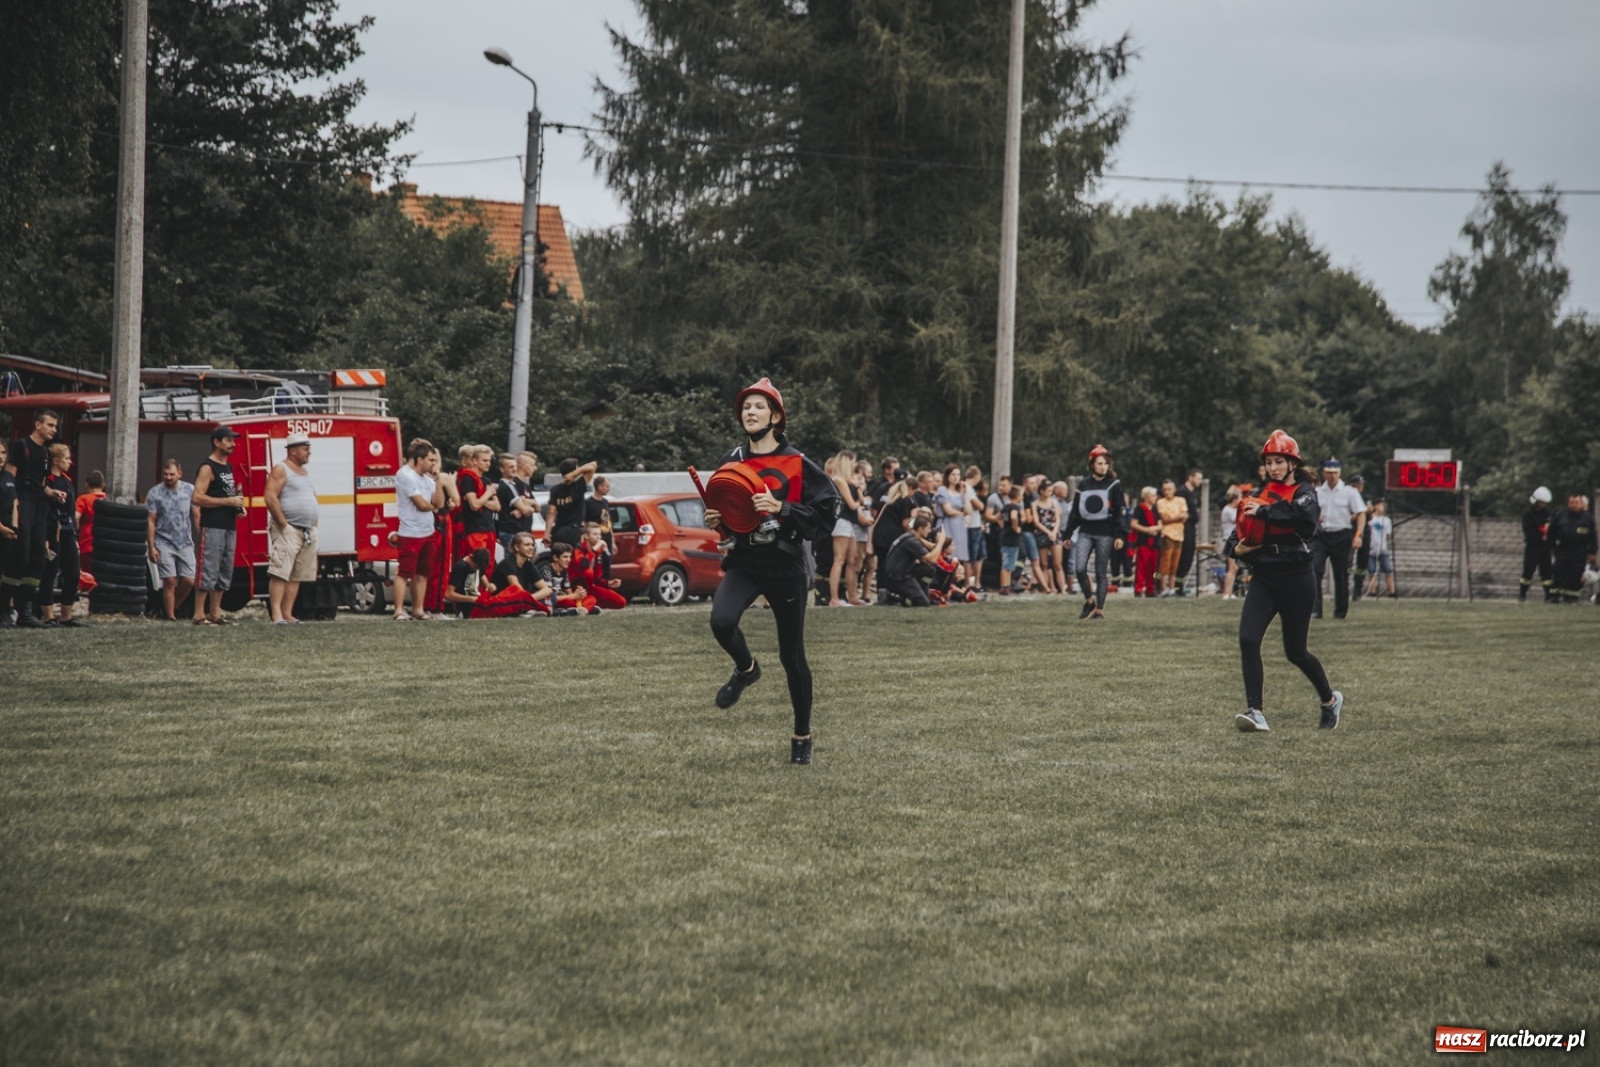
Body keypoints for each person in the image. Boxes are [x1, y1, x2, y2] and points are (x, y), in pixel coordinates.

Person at [703, 377, 839, 766]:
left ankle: (802, 736)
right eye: (746, 406)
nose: (750, 411)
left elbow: (827, 515)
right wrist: (718, 520)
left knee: (792, 656)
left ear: (776, 416)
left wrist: (781, 508)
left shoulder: (798, 462)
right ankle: (746, 669)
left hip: (786, 566)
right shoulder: (731, 460)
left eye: (759, 406)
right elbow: (728, 513)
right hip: (746, 562)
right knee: (721, 622)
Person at [1226, 430, 1343, 733]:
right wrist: (1238, 549)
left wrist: (1265, 512)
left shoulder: (1305, 491)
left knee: (1296, 652)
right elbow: (1235, 540)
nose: (1274, 467)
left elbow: (1304, 519)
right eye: (1269, 461)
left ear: (1292, 463)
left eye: (1279, 461)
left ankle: (1330, 701)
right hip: (1265, 575)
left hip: (1296, 577)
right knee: (1248, 639)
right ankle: (1255, 712)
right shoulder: (1259, 493)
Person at [3, 409, 60, 627]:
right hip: (22, 503)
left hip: (39, 506)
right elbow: (9, 477)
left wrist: (53, 493)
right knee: (20, 556)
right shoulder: (20, 446)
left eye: (55, 426)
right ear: (38, 425)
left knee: (38, 557)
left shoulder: (46, 453)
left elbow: (42, 485)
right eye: (50, 425)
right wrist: (13, 505)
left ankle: (25, 610)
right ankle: (4, 608)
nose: (54, 429)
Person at [190, 426, 246, 626]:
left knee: (224, 570)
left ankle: (215, 613)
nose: (233, 444)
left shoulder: (228, 467)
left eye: (233, 440)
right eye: (229, 440)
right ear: (216, 442)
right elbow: (197, 497)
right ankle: (198, 614)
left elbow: (227, 496)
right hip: (212, 525)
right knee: (208, 569)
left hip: (229, 525)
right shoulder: (208, 467)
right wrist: (227, 503)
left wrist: (237, 507)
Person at [1063, 445, 1126, 621]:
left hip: (1105, 533)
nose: (1103, 467)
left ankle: (1099, 610)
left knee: (1100, 571)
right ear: (1092, 465)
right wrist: (1067, 534)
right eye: (1099, 463)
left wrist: (1119, 535)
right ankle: (1088, 600)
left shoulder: (1114, 484)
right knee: (1080, 568)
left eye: (1106, 463)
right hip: (1085, 531)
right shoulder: (1083, 484)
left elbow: (1118, 511)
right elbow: (1075, 511)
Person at [263, 432, 319, 624]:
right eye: (305, 449)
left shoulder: (305, 473)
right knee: (280, 571)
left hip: (307, 531)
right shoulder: (281, 469)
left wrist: (314, 524)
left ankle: (287, 614)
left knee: (296, 574)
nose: (308, 453)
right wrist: (283, 524)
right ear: (293, 451)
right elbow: (270, 497)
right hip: (289, 528)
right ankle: (276, 615)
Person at [394, 439, 445, 621]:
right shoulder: (405, 475)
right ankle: (399, 610)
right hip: (410, 533)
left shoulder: (428, 479)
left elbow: (439, 502)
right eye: (431, 460)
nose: (434, 464)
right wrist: (434, 507)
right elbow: (421, 504)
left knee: (423, 573)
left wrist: (438, 480)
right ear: (420, 459)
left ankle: (418, 609)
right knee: (405, 573)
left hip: (427, 531)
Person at [1310, 458, 1366, 619]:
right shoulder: (1318, 492)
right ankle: (1315, 609)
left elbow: (1361, 513)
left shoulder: (1349, 492)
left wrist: (1358, 535)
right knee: (1315, 570)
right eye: (1329, 472)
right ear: (1324, 473)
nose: (1332, 476)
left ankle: (1340, 611)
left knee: (1341, 574)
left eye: (1335, 473)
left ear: (1339, 473)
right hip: (1321, 535)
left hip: (1342, 534)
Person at [146, 458, 197, 622]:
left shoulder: (189, 490)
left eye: (172, 474)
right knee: (169, 580)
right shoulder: (155, 493)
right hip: (163, 541)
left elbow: (196, 515)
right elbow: (151, 521)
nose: (168, 477)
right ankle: (170, 617)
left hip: (185, 541)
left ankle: (173, 606)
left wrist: (202, 535)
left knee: (189, 580)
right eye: (165, 474)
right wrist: (151, 546)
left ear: (179, 474)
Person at [826, 449, 866, 606]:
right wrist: (858, 501)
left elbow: (859, 500)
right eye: (853, 461)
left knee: (852, 559)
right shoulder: (839, 480)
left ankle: (852, 597)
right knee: (839, 559)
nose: (855, 464)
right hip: (841, 520)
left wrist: (858, 490)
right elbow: (852, 504)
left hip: (850, 521)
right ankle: (834, 599)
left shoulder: (849, 481)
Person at [879, 514, 946, 607]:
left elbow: (927, 561)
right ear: (920, 528)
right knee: (922, 603)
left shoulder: (910, 537)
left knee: (929, 570)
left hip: (898, 574)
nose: (929, 531)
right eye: (928, 528)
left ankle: (922, 595)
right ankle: (890, 596)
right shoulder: (911, 541)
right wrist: (941, 542)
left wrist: (936, 544)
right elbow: (932, 559)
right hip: (897, 578)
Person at [453, 444, 501, 564]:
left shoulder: (487, 480)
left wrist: (480, 500)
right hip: (474, 529)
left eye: (489, 460)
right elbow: (474, 506)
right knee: (476, 564)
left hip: (489, 527)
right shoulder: (467, 478)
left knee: (488, 566)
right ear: (474, 460)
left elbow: (497, 506)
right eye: (484, 460)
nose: (488, 463)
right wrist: (487, 494)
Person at [1547, 493, 1597, 605]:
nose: (1573, 505)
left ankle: (1572, 598)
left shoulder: (1587, 518)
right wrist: (1552, 546)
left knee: (1575, 573)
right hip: (1563, 549)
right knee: (1559, 572)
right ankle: (1554, 597)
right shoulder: (1560, 515)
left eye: (1576, 503)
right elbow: (1551, 532)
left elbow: (1592, 537)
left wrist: (1592, 551)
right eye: (1571, 503)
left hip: (1579, 551)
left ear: (1581, 504)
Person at [572, 521, 627, 610]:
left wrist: (608, 583)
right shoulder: (579, 549)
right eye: (595, 534)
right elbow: (583, 565)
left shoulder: (598, 552)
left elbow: (597, 578)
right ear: (586, 536)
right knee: (588, 572)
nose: (598, 537)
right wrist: (594, 549)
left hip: (591, 588)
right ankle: (585, 604)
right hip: (577, 588)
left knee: (621, 602)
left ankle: (590, 604)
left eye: (599, 534)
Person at [545, 457, 598, 548]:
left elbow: (551, 512)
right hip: (573, 529)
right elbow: (593, 465)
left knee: (558, 558)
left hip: (558, 530)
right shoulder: (579, 485)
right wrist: (574, 474)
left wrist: (546, 534)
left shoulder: (555, 490)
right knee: (573, 559)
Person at [1519, 486, 1555, 602]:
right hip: (1532, 547)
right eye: (1541, 502)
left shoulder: (1548, 515)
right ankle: (1522, 594)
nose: (1542, 505)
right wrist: (1541, 537)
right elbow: (1528, 531)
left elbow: (1550, 528)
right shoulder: (1528, 515)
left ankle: (1548, 596)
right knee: (1528, 572)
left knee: (1547, 573)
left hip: (1545, 549)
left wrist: (1549, 541)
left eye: (1544, 503)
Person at [1155, 479, 1187, 596]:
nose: (1166, 492)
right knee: (1165, 563)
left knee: (1175, 563)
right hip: (1167, 534)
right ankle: (1163, 588)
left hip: (1179, 535)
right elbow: (1164, 519)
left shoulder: (1181, 500)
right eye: (1164, 490)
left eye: (1169, 489)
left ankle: (1172, 587)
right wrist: (1178, 518)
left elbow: (1185, 516)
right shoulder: (1161, 502)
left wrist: (1172, 518)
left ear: (1174, 490)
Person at [1174, 467, 1203, 595]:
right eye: (1198, 478)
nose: (1200, 481)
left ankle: (1179, 584)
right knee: (1183, 556)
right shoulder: (1181, 492)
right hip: (1183, 528)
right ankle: (1175, 586)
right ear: (1190, 477)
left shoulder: (1191, 493)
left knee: (1189, 556)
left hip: (1191, 528)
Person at [1130, 487, 1161, 597]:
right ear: (1147, 497)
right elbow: (1133, 524)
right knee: (1141, 567)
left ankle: (1151, 589)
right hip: (1143, 542)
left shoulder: (1155, 509)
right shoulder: (1140, 508)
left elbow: (1160, 524)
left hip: (1155, 542)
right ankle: (1138, 589)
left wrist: (1155, 529)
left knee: (1154, 568)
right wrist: (1147, 530)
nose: (1155, 498)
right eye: (1153, 496)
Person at [74, 469, 106, 575]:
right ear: (103, 485)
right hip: (105, 544)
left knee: (87, 577)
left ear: (86, 485)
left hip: (87, 543)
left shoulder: (83, 499)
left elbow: (75, 517)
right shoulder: (109, 500)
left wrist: (76, 530)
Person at [1363, 498, 1395, 599]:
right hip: (1371, 549)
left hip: (1383, 548)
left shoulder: (1386, 520)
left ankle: (1391, 591)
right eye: (1380, 504)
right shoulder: (1370, 520)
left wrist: (1388, 542)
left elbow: (1388, 535)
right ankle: (1372, 591)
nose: (1382, 507)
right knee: (1371, 570)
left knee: (1388, 570)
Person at [0, 441, 17, 627]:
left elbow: (14, 504)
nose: (1, 456)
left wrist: (14, 528)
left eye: (3, 452)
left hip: (8, 534)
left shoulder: (9, 477)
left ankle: (5, 610)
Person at [998, 484, 1025, 595]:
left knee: (1008, 564)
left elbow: (998, 518)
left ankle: (1007, 586)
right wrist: (1016, 528)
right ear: (1017, 496)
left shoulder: (1005, 507)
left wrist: (1004, 527)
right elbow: (1014, 517)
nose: (1022, 497)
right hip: (1012, 539)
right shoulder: (1015, 507)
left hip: (1005, 537)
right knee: (1007, 564)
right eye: (1021, 495)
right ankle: (1004, 586)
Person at [1347, 474, 1370, 600]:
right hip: (1350, 530)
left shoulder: (1365, 497)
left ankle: (1357, 590)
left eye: (1361, 484)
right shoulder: (1348, 497)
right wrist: (1359, 513)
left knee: (1362, 563)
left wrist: (1369, 511)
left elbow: (1370, 515)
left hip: (1365, 531)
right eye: (1357, 484)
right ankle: (1345, 588)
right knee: (1347, 561)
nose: (1360, 487)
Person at [1219, 487, 1241, 599]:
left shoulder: (1234, 510)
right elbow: (1237, 520)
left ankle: (1230, 591)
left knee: (1235, 568)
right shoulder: (1228, 510)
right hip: (1229, 540)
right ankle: (1226, 592)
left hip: (1234, 540)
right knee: (1231, 568)